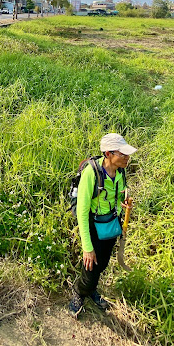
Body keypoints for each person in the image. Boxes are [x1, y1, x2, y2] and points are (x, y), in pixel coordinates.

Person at [68, 133, 137, 316]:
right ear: (108, 154)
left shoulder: (120, 171)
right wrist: (87, 247)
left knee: (103, 263)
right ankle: (79, 292)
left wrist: (124, 205)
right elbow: (82, 213)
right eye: (122, 154)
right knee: (90, 267)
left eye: (127, 154)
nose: (127, 158)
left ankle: (91, 291)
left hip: (110, 223)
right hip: (92, 224)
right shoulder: (92, 173)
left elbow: (119, 193)